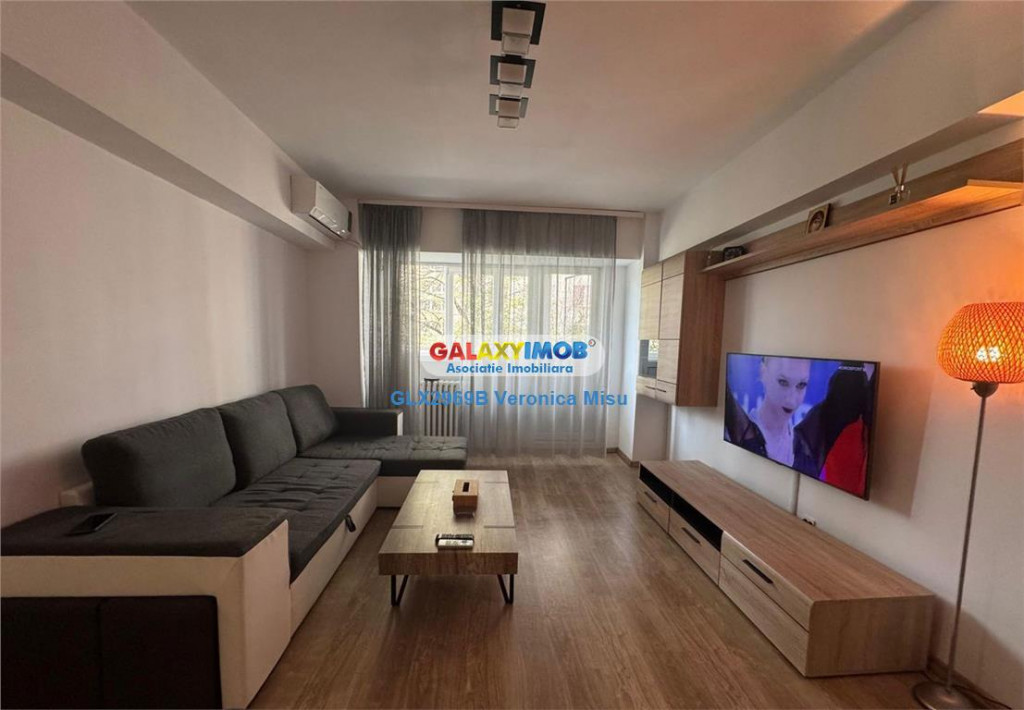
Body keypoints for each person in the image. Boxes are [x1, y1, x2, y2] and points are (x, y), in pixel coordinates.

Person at [748, 356, 811, 467]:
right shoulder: (739, 434)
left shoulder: (803, 449)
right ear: (763, 373)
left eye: (801, 385)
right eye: (783, 382)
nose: (791, 400)